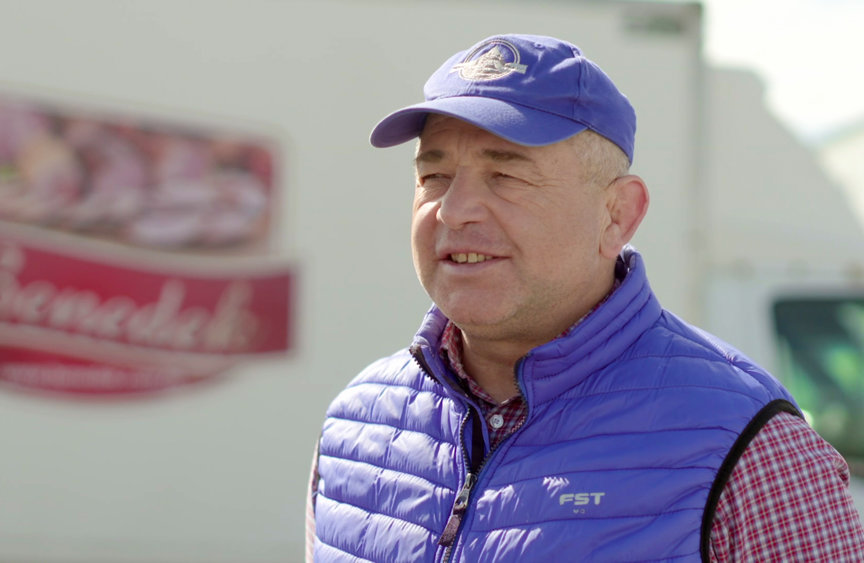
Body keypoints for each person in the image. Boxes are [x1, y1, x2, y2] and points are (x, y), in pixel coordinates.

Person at [306, 33, 864, 561]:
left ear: (617, 215)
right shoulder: (359, 427)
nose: (453, 211)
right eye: (435, 177)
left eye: (505, 176)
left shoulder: (748, 445)